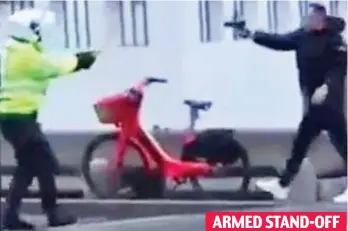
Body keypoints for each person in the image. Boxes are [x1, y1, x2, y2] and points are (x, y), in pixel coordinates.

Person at [231, 3, 347, 202]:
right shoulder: (302, 36)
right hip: (312, 102)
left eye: (312, 17)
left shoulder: (335, 40)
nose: (308, 20)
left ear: (322, 19)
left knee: (340, 142)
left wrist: (326, 86)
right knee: (302, 142)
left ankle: (284, 183)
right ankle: (283, 185)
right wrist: (252, 35)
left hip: (329, 102)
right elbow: (280, 41)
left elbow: (339, 69)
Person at [0, 9, 99, 229]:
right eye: (38, 29)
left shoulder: (15, 49)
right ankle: (50, 212)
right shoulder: (23, 54)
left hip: (16, 119)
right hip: (19, 119)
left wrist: (78, 59)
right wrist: (82, 60)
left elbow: (48, 61)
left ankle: (12, 216)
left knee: (30, 166)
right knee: (44, 163)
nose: (42, 34)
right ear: (31, 30)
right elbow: (52, 66)